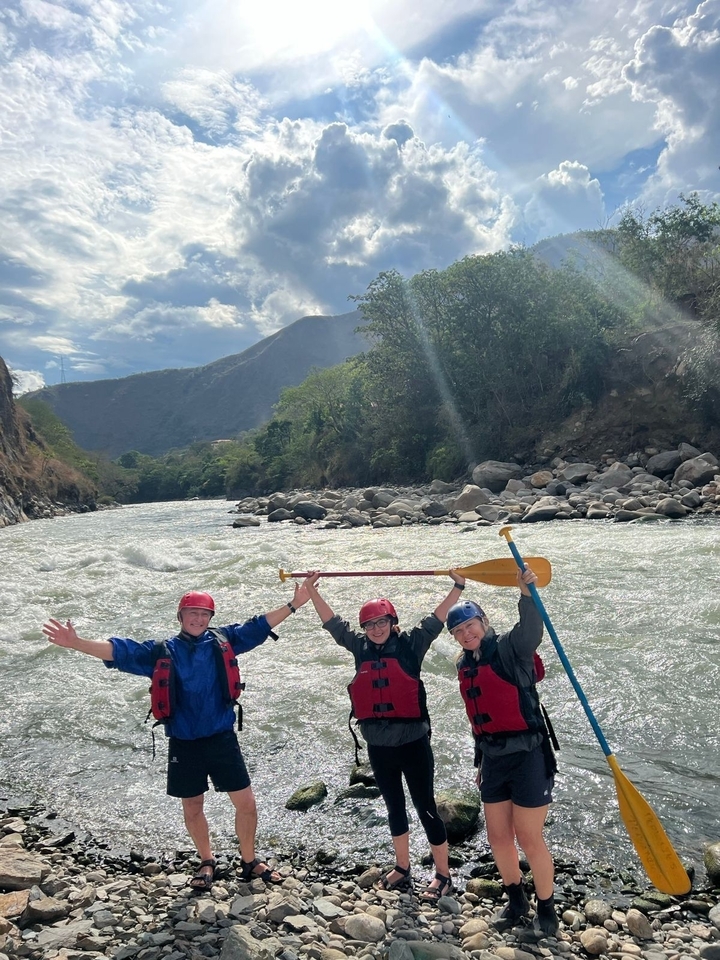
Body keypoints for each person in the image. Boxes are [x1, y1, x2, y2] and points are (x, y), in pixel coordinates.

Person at [42, 583, 312, 891]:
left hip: (221, 737)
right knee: (193, 806)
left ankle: (249, 862)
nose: (197, 619)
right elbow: (119, 650)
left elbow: (258, 625)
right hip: (183, 742)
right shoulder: (161, 651)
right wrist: (76, 642)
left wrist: (294, 605)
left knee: (247, 803)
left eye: (203, 614)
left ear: (210, 617)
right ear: (180, 616)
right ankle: (207, 860)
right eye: (191, 613)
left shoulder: (225, 640)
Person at [303, 570, 464, 901]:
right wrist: (312, 592)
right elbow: (332, 622)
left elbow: (437, 617)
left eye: (381, 622)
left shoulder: (412, 645)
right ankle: (403, 867)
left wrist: (457, 586)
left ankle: (443, 875)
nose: (376, 629)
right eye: (370, 624)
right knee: (394, 806)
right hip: (378, 745)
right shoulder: (359, 647)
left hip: (413, 742)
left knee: (426, 807)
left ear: (393, 622)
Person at [447, 567, 560, 937]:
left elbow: (531, 631)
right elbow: (478, 719)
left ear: (484, 621)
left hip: (529, 753)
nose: (467, 634)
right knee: (498, 836)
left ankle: (547, 912)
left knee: (529, 836)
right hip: (494, 758)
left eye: (471, 626)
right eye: (459, 631)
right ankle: (516, 901)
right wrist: (481, 759)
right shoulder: (465, 666)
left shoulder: (511, 648)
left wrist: (527, 594)